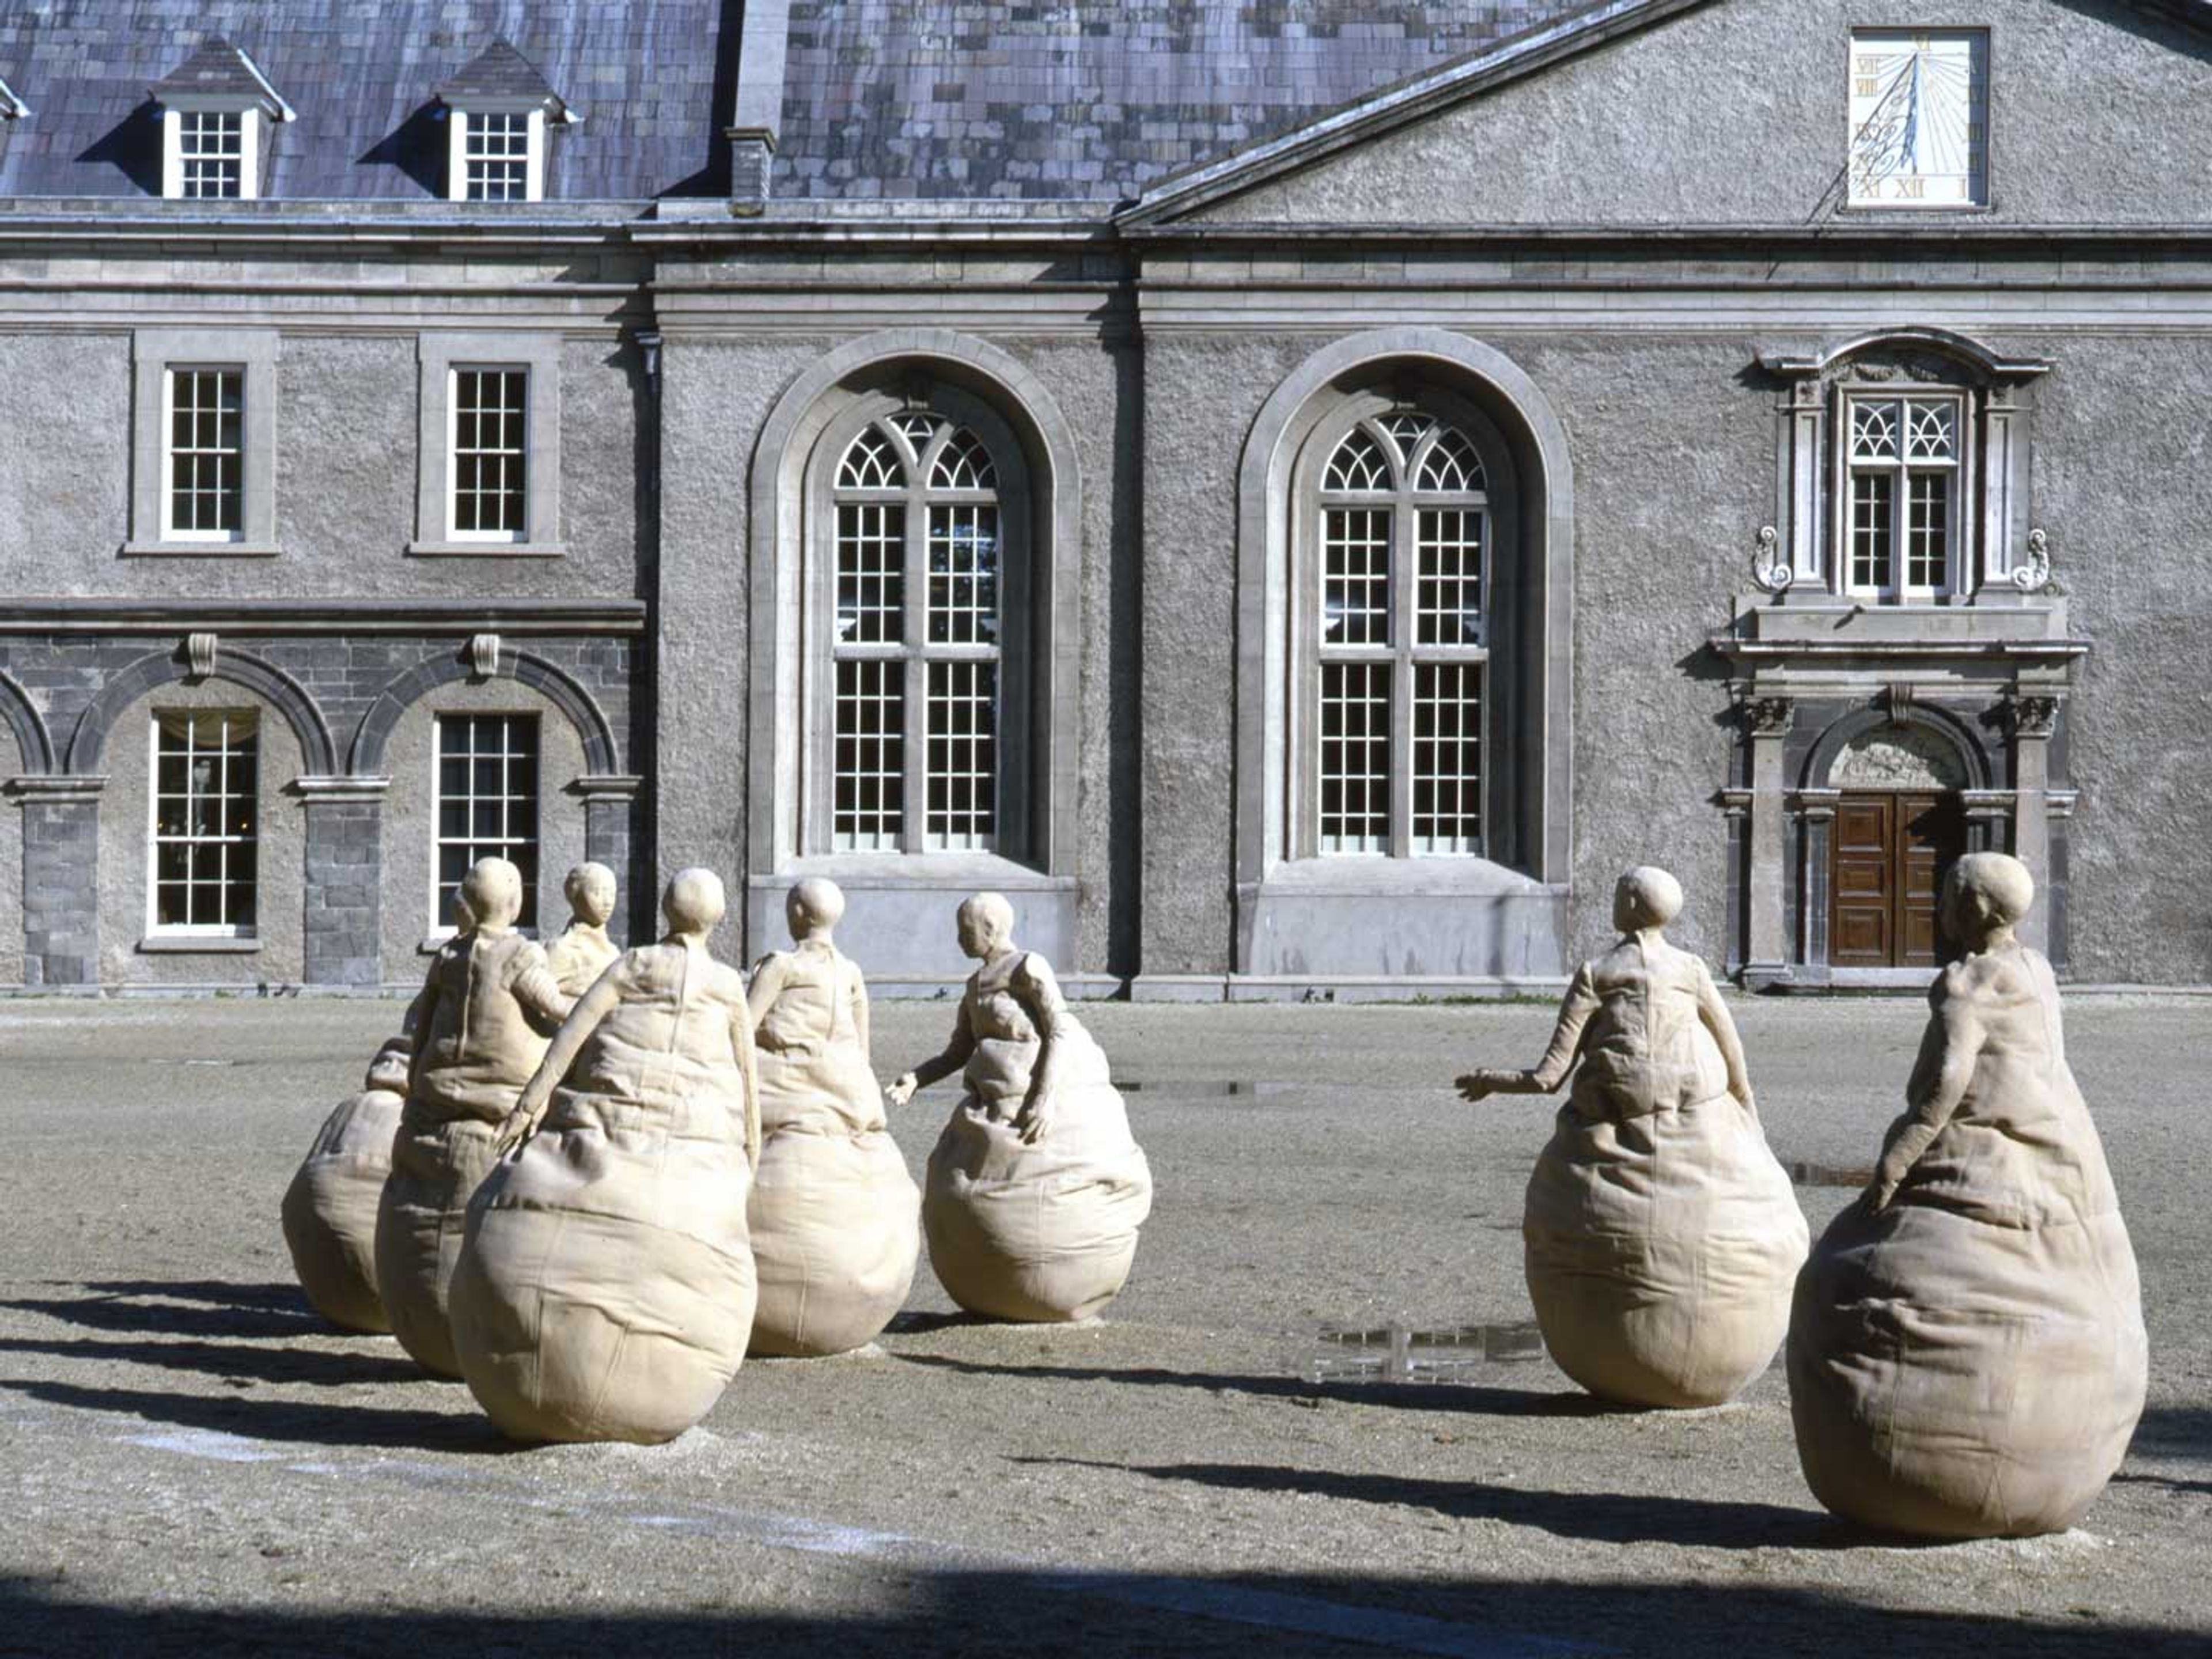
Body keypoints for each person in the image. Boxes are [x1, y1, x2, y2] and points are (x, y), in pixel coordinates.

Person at [1789, 851, 2146, 1537]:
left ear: (1974, 910)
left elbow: (1945, 1084)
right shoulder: (2037, 972)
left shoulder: (1965, 984)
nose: (1940, 907)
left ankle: (1911, 1466)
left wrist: (1895, 1160)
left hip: (1972, 1145)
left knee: (1840, 1277)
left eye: (1951, 896)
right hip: (2059, 1145)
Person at [1457, 866, 1805, 1408]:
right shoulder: (1689, 970)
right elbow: (1734, 1057)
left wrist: (1490, 1081)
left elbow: (1550, 1077)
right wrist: (1751, 1129)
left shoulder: (1597, 974)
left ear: (1627, 905)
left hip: (1605, 1143)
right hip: (1704, 1131)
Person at [456, 868, 760, 1444]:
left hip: (596, 1137)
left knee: (497, 1206)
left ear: (668, 910)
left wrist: (529, 1106)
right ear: (717, 918)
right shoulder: (725, 986)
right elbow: (749, 1085)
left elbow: (571, 1036)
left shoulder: (632, 965)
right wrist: (750, 1162)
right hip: (690, 1159)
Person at [887, 892, 1151, 1323]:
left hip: (1041, 1101)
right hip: (992, 1104)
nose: (958, 939)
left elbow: (1059, 1029)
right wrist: (916, 1078)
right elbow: (958, 1052)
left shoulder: (1028, 966)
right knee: (954, 1181)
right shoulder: (974, 986)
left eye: (965, 930)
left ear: (990, 930)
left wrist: (1045, 1100)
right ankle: (990, 1271)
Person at [373, 858, 571, 1377]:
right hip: (497, 1114)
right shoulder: (518, 956)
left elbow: (418, 1034)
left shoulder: (449, 956)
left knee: (426, 1223)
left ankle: (428, 1326)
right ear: (516, 903)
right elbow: (555, 1007)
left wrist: (414, 1082)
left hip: (434, 1109)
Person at [744, 877, 919, 1356]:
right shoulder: (851, 972)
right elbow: (860, 1049)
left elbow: (742, 1028)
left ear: (797, 913)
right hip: (844, 1089)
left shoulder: (781, 966)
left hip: (786, 1085)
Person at [543, 861, 620, 995]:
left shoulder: (613, 951)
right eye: (597, 893)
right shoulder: (562, 949)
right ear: (575, 896)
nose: (608, 902)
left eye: (612, 894)